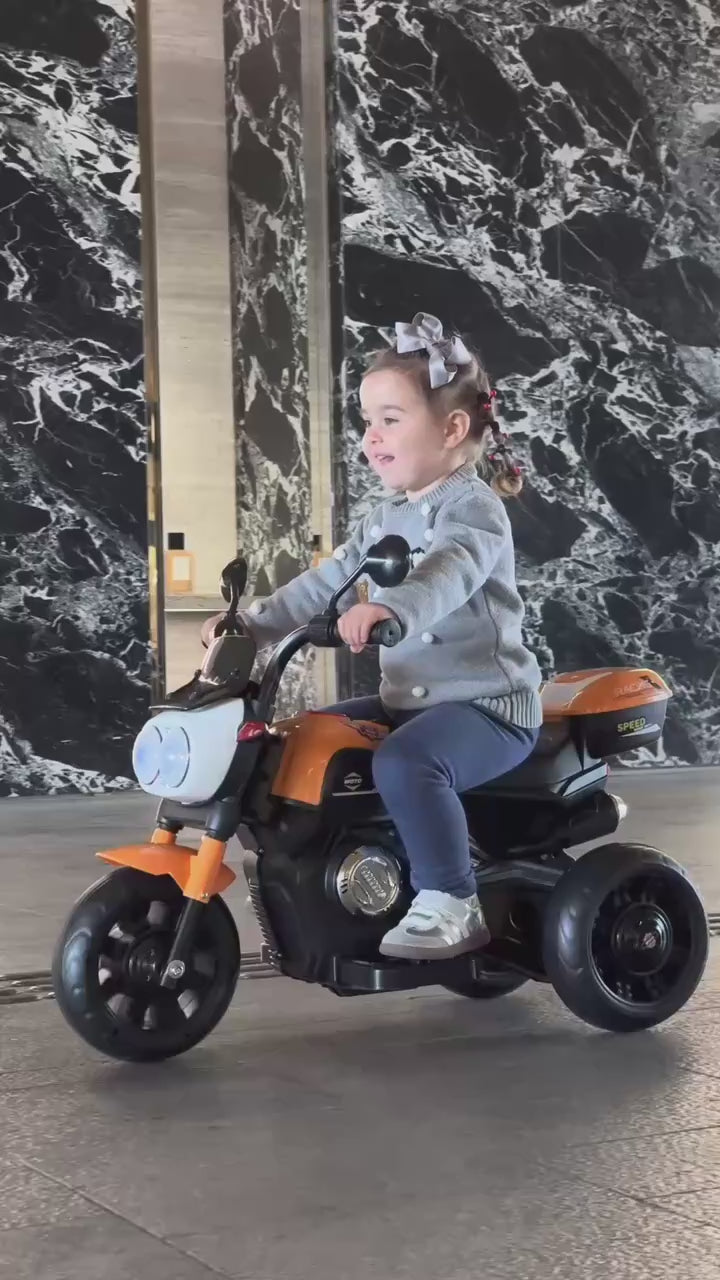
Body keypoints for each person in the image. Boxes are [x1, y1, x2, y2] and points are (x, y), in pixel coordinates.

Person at [203, 312, 542, 960]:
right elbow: (329, 580)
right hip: (410, 701)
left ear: (452, 429)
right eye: (367, 421)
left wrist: (392, 608)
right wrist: (253, 623)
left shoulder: (473, 509)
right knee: (305, 737)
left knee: (407, 763)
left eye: (391, 418)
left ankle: (451, 900)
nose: (372, 436)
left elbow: (450, 571)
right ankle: (349, 877)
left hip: (488, 706)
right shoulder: (384, 517)